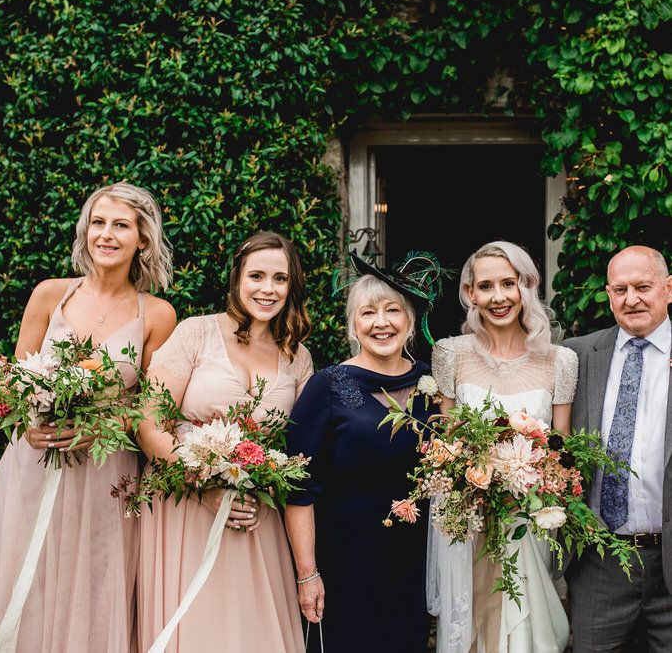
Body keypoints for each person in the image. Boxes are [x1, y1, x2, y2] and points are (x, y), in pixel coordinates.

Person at [0, 182, 177, 652]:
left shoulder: (157, 314)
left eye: (120, 225)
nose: (106, 235)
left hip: (104, 475)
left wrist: (98, 427)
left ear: (142, 240)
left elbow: (152, 410)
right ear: (84, 232)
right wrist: (27, 426)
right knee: (24, 585)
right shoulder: (51, 295)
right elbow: (10, 388)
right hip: (33, 468)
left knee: (94, 587)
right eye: (97, 223)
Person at [136, 231, 314, 653]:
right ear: (237, 279)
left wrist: (268, 480)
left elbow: (299, 449)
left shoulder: (298, 357)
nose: (267, 289)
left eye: (279, 279)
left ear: (292, 287)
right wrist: (204, 486)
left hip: (256, 518)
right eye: (256, 276)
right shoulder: (195, 333)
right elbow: (148, 423)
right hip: (183, 509)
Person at [284, 250, 443, 652]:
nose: (381, 322)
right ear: (353, 325)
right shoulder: (327, 387)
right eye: (368, 313)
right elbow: (298, 490)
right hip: (345, 564)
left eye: (393, 310)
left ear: (409, 322)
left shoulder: (434, 384)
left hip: (413, 562)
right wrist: (307, 575)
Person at [428, 240, 578, 653]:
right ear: (470, 294)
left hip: (529, 525)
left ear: (526, 286)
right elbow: (447, 443)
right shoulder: (450, 354)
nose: (498, 297)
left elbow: (561, 456)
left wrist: (528, 482)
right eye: (486, 286)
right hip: (470, 525)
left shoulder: (561, 361)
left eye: (508, 284)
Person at [563, 245, 672, 652]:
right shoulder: (577, 355)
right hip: (599, 563)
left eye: (643, 287)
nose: (632, 299)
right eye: (620, 289)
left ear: (668, 288)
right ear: (608, 295)